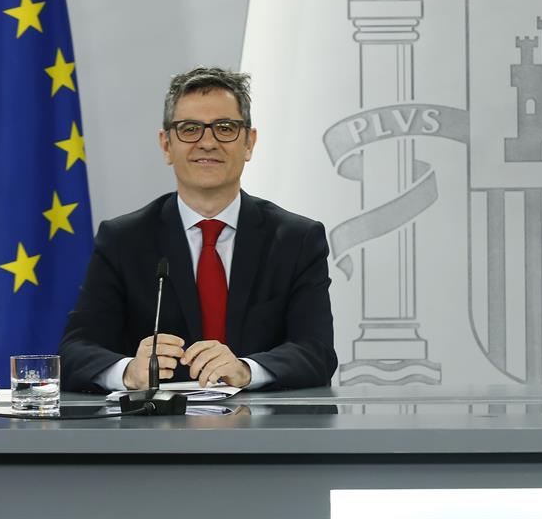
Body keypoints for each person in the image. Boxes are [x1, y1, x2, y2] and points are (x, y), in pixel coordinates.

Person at [60, 67, 337, 392]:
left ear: (249, 143)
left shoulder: (296, 239)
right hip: (155, 434)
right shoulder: (124, 239)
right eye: (190, 129)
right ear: (166, 145)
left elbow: (316, 353)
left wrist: (246, 370)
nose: (208, 142)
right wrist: (128, 372)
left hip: (265, 432)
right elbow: (75, 352)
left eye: (225, 128)